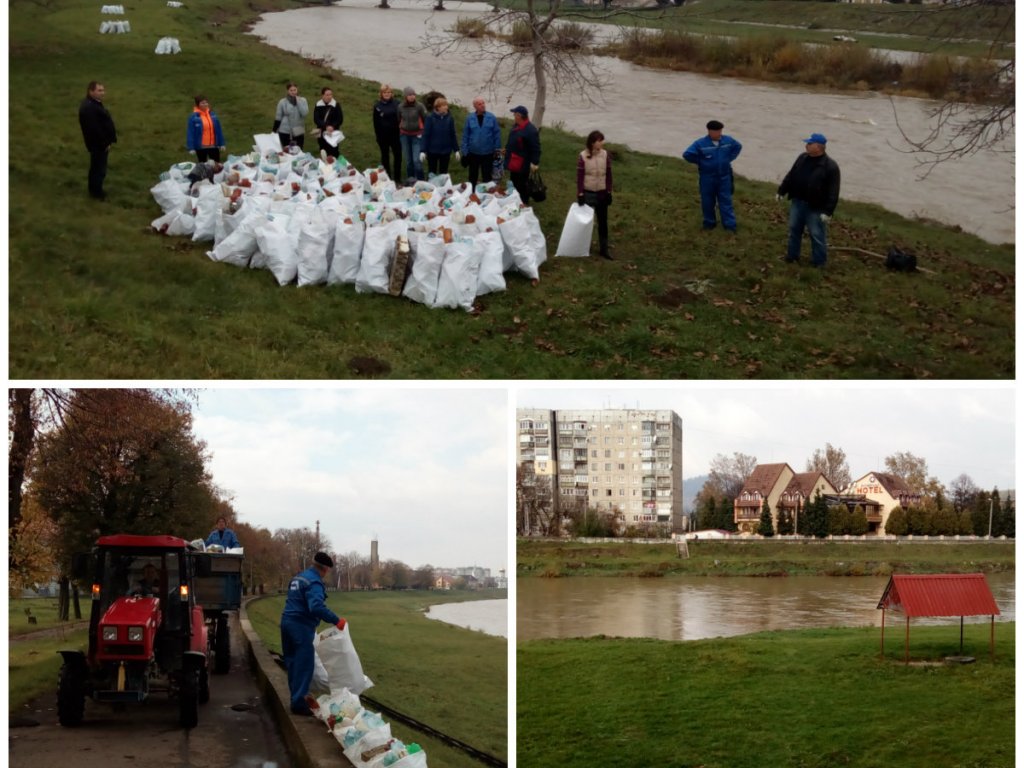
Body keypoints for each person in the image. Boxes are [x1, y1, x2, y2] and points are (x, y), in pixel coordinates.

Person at [280, 552, 347, 716]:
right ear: (324, 569)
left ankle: (296, 698)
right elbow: (316, 606)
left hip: (286, 623)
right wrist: (336, 620)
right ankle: (299, 703)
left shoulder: (299, 578)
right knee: (304, 665)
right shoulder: (314, 581)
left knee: (293, 663)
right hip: (301, 627)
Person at [777, 132, 841, 268]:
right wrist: (782, 191)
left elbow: (833, 192)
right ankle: (792, 256)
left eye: (810, 143)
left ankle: (819, 262)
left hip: (816, 207)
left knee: (817, 235)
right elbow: (791, 174)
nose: (806, 145)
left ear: (819, 147)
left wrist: (828, 212)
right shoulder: (802, 158)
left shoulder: (830, 166)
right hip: (797, 202)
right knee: (794, 230)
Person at [682, 119, 742, 232]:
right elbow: (687, 154)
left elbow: (738, 147)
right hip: (707, 178)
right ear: (709, 131)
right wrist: (701, 161)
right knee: (707, 201)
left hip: (724, 177)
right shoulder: (700, 143)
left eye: (720, 131)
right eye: (716, 131)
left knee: (726, 201)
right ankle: (709, 224)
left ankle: (730, 226)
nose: (719, 133)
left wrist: (729, 158)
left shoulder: (728, 141)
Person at [576, 130, 613, 260]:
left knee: (603, 222)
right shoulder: (583, 156)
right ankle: (585, 247)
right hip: (588, 192)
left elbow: (608, 174)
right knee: (587, 222)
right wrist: (580, 193)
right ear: (592, 142)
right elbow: (580, 177)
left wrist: (609, 191)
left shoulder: (605, 155)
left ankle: (604, 249)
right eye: (599, 140)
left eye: (602, 140)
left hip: (602, 193)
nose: (602, 143)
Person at [78, 80, 117, 201]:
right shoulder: (89, 107)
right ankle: (96, 193)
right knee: (98, 169)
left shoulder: (94, 104)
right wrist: (105, 143)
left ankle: (95, 190)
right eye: (99, 90)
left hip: (99, 143)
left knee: (97, 167)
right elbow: (94, 129)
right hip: (98, 145)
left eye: (103, 90)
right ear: (91, 91)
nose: (103, 93)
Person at [460, 97, 502, 187]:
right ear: (475, 106)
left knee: (487, 176)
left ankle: (486, 195)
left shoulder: (491, 117)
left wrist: (497, 150)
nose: (482, 105)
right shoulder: (470, 118)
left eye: (483, 103)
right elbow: (465, 135)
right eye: (479, 104)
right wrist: (465, 151)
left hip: (488, 153)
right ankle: (472, 193)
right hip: (473, 153)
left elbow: (497, 134)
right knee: (472, 176)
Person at [504, 105, 541, 203]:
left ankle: (523, 202)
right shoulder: (516, 125)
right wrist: (507, 149)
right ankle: (514, 199)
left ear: (519, 115)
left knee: (522, 185)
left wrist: (534, 162)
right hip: (514, 161)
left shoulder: (531, 130)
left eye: (514, 114)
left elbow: (536, 148)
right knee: (514, 182)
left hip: (522, 164)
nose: (513, 116)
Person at [420, 96, 459, 177]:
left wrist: (456, 150)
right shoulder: (430, 118)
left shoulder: (450, 118)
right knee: (432, 172)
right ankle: (432, 188)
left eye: (446, 105)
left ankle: (442, 188)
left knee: (443, 173)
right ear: (437, 107)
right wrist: (423, 150)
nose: (446, 107)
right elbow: (426, 134)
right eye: (443, 105)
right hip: (432, 150)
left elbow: (452, 134)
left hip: (445, 151)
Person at [372, 84, 403, 183]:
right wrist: (377, 136)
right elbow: (375, 122)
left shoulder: (397, 103)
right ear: (381, 94)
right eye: (385, 92)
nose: (387, 94)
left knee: (398, 156)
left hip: (396, 135)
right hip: (383, 136)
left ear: (392, 93)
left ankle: (397, 177)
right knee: (385, 156)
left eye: (389, 92)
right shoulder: (377, 106)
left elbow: (402, 118)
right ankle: (388, 177)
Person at [397, 86, 428, 182]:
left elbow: (425, 119)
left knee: (416, 160)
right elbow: (399, 119)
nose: (412, 97)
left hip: (417, 136)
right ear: (405, 96)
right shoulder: (400, 107)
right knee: (409, 161)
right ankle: (411, 180)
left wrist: (422, 132)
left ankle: (421, 180)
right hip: (404, 136)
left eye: (413, 94)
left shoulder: (420, 106)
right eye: (409, 95)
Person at [186, 95, 226, 163]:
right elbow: (190, 133)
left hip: (213, 146)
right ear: (198, 104)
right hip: (201, 147)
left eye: (206, 102)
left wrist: (222, 143)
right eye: (202, 103)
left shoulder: (213, 115)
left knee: (216, 165)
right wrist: (191, 148)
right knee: (203, 166)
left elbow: (218, 130)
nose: (205, 104)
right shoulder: (193, 117)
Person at [274, 82, 309, 150]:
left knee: (298, 151)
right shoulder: (282, 102)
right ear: (288, 91)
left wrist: (298, 101)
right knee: (286, 151)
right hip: (284, 131)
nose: (293, 92)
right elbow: (278, 117)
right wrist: (274, 131)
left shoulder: (303, 100)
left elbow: (304, 113)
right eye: (291, 90)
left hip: (298, 131)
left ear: (297, 90)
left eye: (294, 90)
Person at [313, 86, 344, 160]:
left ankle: (334, 163)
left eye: (330, 94)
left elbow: (340, 119)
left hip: (333, 132)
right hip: (322, 131)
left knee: (334, 149)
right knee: (323, 149)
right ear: (322, 95)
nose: (329, 97)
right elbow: (316, 119)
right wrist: (325, 126)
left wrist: (332, 126)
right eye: (327, 95)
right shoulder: (318, 105)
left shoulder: (336, 105)